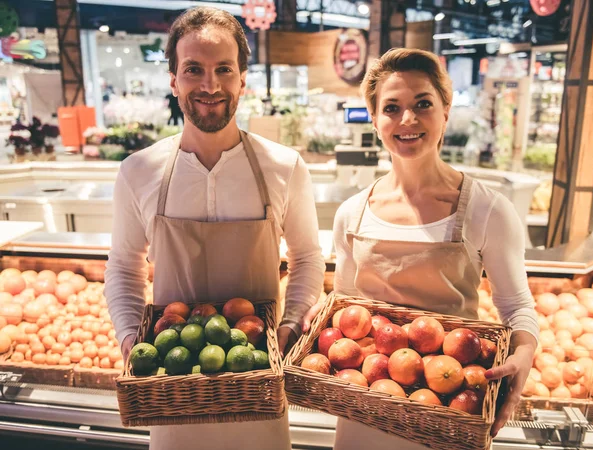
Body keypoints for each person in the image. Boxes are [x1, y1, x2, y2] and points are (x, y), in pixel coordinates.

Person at [104, 7, 325, 450]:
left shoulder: (284, 167)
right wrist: (131, 335)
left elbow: (308, 258)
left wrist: (291, 326)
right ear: (173, 80)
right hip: (172, 388)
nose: (210, 85)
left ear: (243, 80)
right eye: (194, 70)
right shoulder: (138, 171)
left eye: (224, 69)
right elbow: (124, 268)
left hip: (259, 385)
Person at [302, 48, 539, 449]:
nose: (407, 119)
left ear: (445, 111)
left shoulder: (487, 209)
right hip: (366, 407)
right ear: (375, 119)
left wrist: (524, 354)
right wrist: (320, 314)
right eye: (392, 108)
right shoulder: (352, 214)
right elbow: (345, 307)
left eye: (422, 104)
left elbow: (517, 307)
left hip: (451, 409)